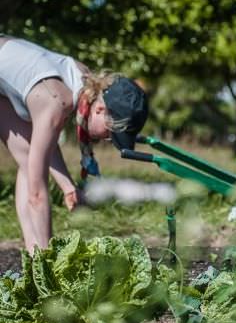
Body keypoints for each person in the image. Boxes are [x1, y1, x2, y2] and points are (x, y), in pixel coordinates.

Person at [0, 35, 149, 254]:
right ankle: (43, 260)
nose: (107, 139)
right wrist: (51, 261)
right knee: (35, 183)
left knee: (28, 159)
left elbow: (43, 149)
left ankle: (35, 257)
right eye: (110, 132)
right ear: (99, 110)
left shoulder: (83, 82)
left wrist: (68, 187)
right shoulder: (56, 102)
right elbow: (37, 194)